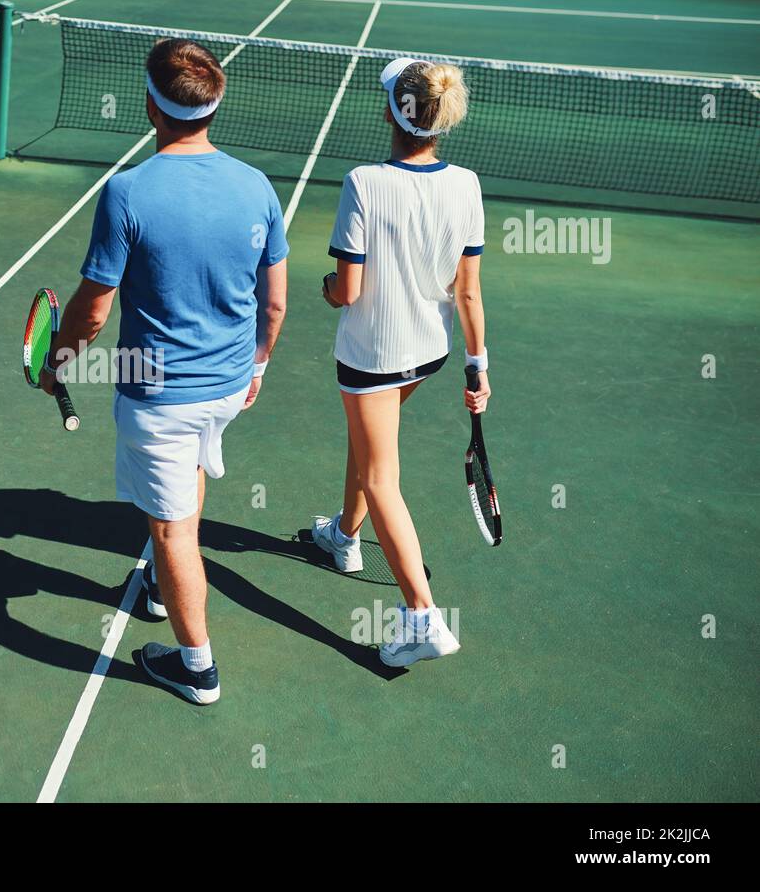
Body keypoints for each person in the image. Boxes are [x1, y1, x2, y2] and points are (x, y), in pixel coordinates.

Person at [41, 37, 288, 705]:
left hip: (161, 395)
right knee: (187, 490)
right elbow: (276, 301)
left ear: (151, 106)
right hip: (230, 384)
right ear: (215, 106)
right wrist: (258, 362)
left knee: (175, 531)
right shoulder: (257, 186)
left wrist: (56, 361)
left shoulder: (127, 193)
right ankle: (158, 586)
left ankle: (197, 667)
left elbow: (92, 314)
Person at [315, 57, 489, 668]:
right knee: (369, 448)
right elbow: (467, 292)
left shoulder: (365, 181)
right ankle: (344, 537)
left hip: (370, 355)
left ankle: (422, 617)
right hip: (429, 354)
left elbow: (349, 289)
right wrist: (478, 365)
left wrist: (328, 288)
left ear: (392, 112)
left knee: (380, 476)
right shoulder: (466, 185)